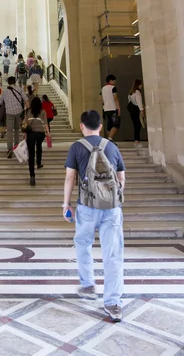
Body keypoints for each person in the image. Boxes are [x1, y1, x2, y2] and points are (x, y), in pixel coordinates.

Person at [63, 110, 126, 322]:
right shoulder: (112, 146)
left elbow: (70, 178)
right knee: (113, 253)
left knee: (82, 242)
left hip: (87, 206)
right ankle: (113, 302)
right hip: (112, 208)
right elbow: (121, 177)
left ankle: (88, 283)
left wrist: (66, 204)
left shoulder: (76, 147)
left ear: (82, 126)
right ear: (101, 126)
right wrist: (113, 198)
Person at [0, 76, 28, 158]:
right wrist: (27, 112)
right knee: (17, 130)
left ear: (8, 82)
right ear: (15, 81)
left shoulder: (5, 91)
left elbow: (0, 102)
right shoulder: (19, 89)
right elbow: (26, 100)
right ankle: (16, 147)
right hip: (19, 112)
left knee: (9, 131)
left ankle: (9, 149)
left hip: (9, 113)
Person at [24, 96, 50, 186]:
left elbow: (25, 123)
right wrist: (48, 133)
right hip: (40, 133)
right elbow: (46, 123)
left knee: (31, 154)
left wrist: (24, 134)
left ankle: (32, 176)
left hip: (30, 133)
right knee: (39, 147)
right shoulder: (42, 111)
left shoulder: (28, 111)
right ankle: (38, 163)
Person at [101, 74, 120, 141]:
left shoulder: (103, 88)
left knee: (109, 126)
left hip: (105, 109)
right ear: (111, 80)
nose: (115, 82)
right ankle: (110, 139)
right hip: (113, 108)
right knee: (116, 125)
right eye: (114, 80)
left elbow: (101, 99)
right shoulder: (113, 88)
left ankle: (109, 140)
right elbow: (115, 98)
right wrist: (118, 108)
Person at [127, 79, 145, 147]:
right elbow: (139, 102)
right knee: (138, 125)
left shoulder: (130, 92)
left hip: (132, 110)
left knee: (135, 125)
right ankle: (137, 140)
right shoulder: (137, 92)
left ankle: (136, 140)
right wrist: (142, 110)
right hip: (136, 109)